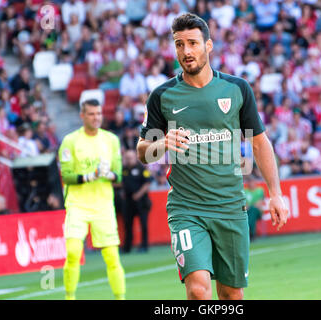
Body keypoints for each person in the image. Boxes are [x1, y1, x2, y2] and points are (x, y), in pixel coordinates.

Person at [136, 13, 288, 300]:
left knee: (231, 294)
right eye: (179, 44)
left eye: (192, 43)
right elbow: (143, 152)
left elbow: (259, 143)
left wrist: (276, 193)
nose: (186, 51)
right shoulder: (162, 96)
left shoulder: (237, 89)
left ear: (208, 45)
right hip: (186, 209)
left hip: (230, 208)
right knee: (198, 288)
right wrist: (163, 143)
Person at [58, 99, 125, 300]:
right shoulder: (70, 141)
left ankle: (120, 298)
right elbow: (67, 175)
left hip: (103, 205)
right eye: (91, 114)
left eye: (98, 113)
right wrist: (89, 176)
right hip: (77, 205)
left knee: (112, 257)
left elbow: (119, 175)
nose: (96, 118)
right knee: (73, 252)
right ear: (82, 116)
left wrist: (109, 174)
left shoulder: (111, 140)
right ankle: (70, 297)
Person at [121, 149, 152, 253]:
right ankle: (127, 247)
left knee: (143, 224)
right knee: (127, 225)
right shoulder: (124, 170)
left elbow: (147, 183)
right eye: (127, 158)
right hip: (128, 202)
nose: (129, 160)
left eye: (131, 158)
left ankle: (144, 246)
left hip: (141, 202)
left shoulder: (142, 169)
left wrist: (138, 194)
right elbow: (121, 183)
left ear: (135, 158)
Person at [244, 175, 265, 241]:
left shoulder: (260, 190)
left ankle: (250, 231)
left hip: (258, 212)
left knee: (253, 209)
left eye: (252, 182)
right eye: (249, 182)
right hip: (247, 211)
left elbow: (259, 203)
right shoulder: (245, 191)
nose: (251, 184)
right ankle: (252, 233)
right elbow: (244, 205)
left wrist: (249, 206)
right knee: (249, 211)